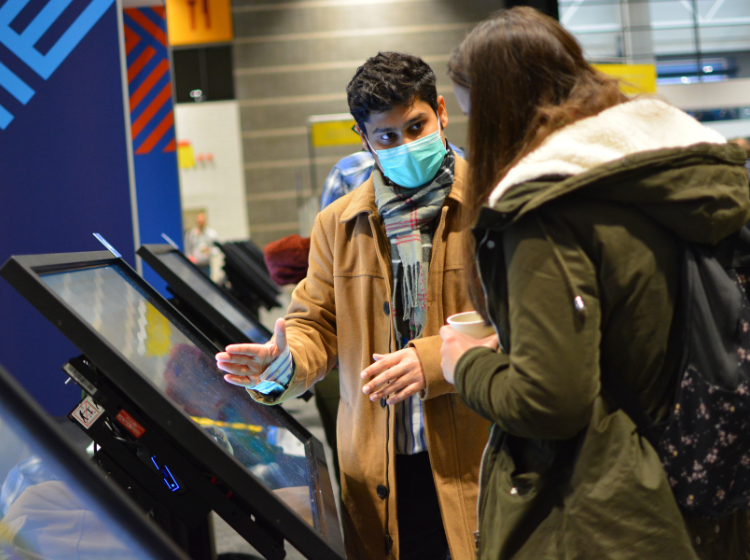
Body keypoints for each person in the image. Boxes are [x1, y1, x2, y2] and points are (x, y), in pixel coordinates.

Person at [438, 7, 750, 560]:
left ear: (496, 111)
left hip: (620, 511)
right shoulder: (668, 174)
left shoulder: (546, 211)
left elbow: (550, 402)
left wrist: (464, 364)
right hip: (713, 480)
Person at [216, 52, 490, 560]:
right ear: (363, 139)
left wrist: (431, 361)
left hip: (474, 455)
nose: (405, 145)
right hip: (379, 466)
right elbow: (316, 321)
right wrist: (285, 360)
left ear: (442, 114)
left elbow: (522, 326)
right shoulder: (338, 223)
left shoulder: (492, 205)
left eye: (416, 126)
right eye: (387, 136)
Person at [184, 212, 218, 276]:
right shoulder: (191, 234)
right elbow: (188, 250)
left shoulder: (211, 234)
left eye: (202, 221)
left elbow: (217, 250)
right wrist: (190, 258)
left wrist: (209, 250)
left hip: (206, 265)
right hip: (195, 265)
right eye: (199, 222)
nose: (201, 223)